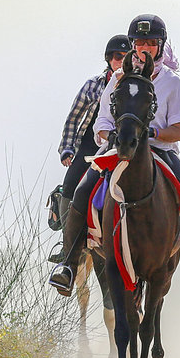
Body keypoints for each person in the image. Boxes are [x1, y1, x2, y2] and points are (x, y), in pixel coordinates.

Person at [48, 14, 180, 298]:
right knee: (82, 190)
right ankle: (68, 265)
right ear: (132, 45)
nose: (145, 47)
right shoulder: (118, 79)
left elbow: (179, 129)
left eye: (151, 42)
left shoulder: (171, 82)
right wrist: (115, 138)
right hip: (117, 149)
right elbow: (102, 123)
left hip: (159, 152)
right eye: (139, 41)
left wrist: (150, 136)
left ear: (160, 46)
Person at [49, 34, 130, 263]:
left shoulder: (135, 86)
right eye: (117, 56)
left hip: (123, 148)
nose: (121, 61)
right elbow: (74, 119)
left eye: (125, 57)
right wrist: (67, 149)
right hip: (89, 147)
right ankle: (69, 249)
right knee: (70, 186)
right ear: (108, 59)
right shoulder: (93, 85)